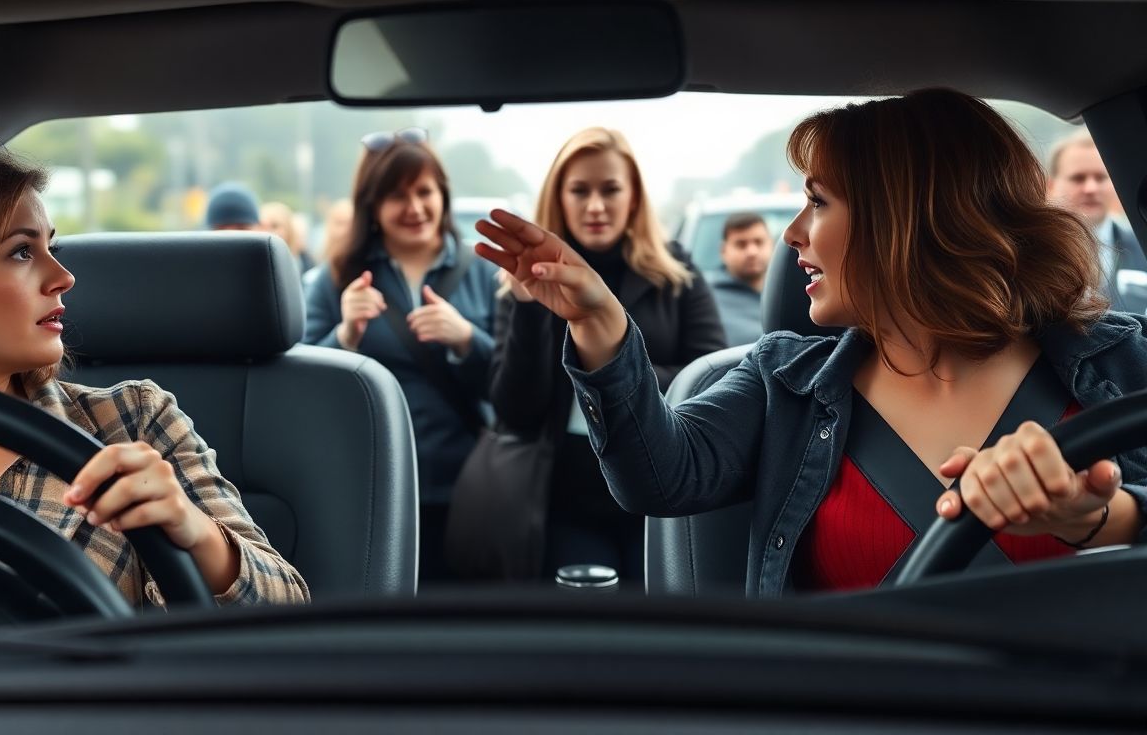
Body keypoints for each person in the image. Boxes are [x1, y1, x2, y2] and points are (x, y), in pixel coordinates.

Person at [475, 89, 1147, 596]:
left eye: (818, 202)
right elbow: (659, 476)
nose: (791, 234)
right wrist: (598, 322)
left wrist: (1098, 517)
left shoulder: (1121, 361)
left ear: (905, 222)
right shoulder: (784, 380)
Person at [0, 152, 309, 609]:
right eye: (22, 252)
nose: (63, 275)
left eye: (51, 246)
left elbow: (286, 608)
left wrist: (193, 531)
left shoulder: (131, 420)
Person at [488, 127, 727, 581]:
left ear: (633, 197)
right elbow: (514, 413)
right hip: (564, 496)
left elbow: (710, 379)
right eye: (580, 190)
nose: (595, 205)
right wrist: (526, 309)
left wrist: (606, 370)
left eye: (610, 189)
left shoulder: (675, 272)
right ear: (559, 198)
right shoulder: (527, 280)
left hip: (664, 488)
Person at [302, 130, 498, 580]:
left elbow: (514, 385)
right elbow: (305, 389)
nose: (414, 208)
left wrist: (467, 338)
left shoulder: (482, 272)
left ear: (443, 196)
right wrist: (346, 333)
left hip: (467, 482)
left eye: (424, 192)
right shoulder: (337, 278)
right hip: (372, 479)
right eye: (397, 195)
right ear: (372, 205)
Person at [1046, 130, 1147, 313]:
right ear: (1050, 186)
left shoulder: (1142, 246)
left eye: (1100, 178)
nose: (1091, 188)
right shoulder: (1031, 254)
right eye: (1078, 178)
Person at [706, 212, 774, 345]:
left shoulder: (792, 291)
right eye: (741, 244)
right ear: (723, 251)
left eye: (759, 242)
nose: (752, 252)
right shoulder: (706, 300)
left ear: (771, 245)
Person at [258, 201, 317, 276]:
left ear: (289, 230)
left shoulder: (308, 266)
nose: (266, 231)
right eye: (261, 226)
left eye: (274, 226)